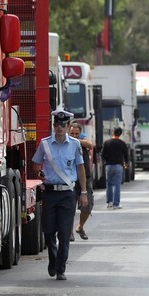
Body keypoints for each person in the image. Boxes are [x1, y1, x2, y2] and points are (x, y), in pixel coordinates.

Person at [32, 109, 87, 281]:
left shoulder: (75, 144)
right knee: (48, 231)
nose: (59, 128)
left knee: (64, 234)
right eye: (56, 124)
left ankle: (60, 268)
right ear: (53, 125)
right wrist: (39, 174)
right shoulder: (45, 144)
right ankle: (53, 258)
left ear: (68, 126)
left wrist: (83, 192)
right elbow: (35, 164)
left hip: (67, 194)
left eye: (63, 125)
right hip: (49, 193)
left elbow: (80, 168)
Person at [68, 122, 94, 241]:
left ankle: (80, 227)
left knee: (87, 206)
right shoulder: (65, 143)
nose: (74, 135)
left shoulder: (81, 142)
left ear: (80, 134)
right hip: (70, 179)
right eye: (72, 133)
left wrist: (76, 140)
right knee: (69, 208)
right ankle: (69, 233)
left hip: (85, 178)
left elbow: (90, 144)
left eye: (76, 134)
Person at [102, 126, 129, 209]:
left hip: (109, 166)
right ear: (120, 134)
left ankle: (109, 202)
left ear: (113, 132)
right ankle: (116, 204)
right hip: (119, 166)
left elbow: (103, 155)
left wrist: (106, 161)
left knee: (109, 184)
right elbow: (126, 155)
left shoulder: (107, 142)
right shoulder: (122, 143)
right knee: (117, 185)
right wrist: (126, 164)